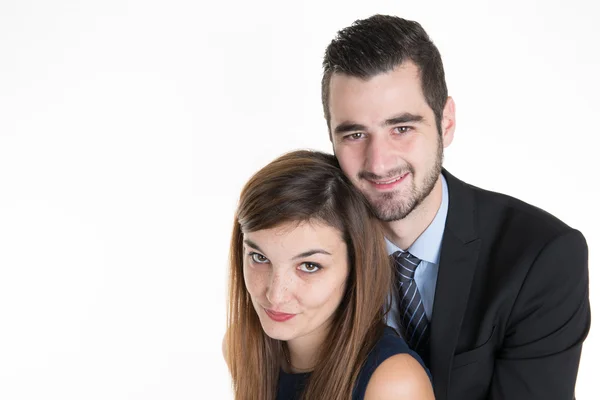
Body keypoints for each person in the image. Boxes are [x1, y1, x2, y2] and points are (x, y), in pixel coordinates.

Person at [320, 14, 591, 400]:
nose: (378, 162)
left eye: (402, 128)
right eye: (355, 134)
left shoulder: (541, 257)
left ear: (446, 122)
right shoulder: (311, 253)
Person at [224, 150, 435, 399]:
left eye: (309, 266)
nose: (275, 294)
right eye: (259, 258)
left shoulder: (394, 383)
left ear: (355, 265)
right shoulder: (242, 347)